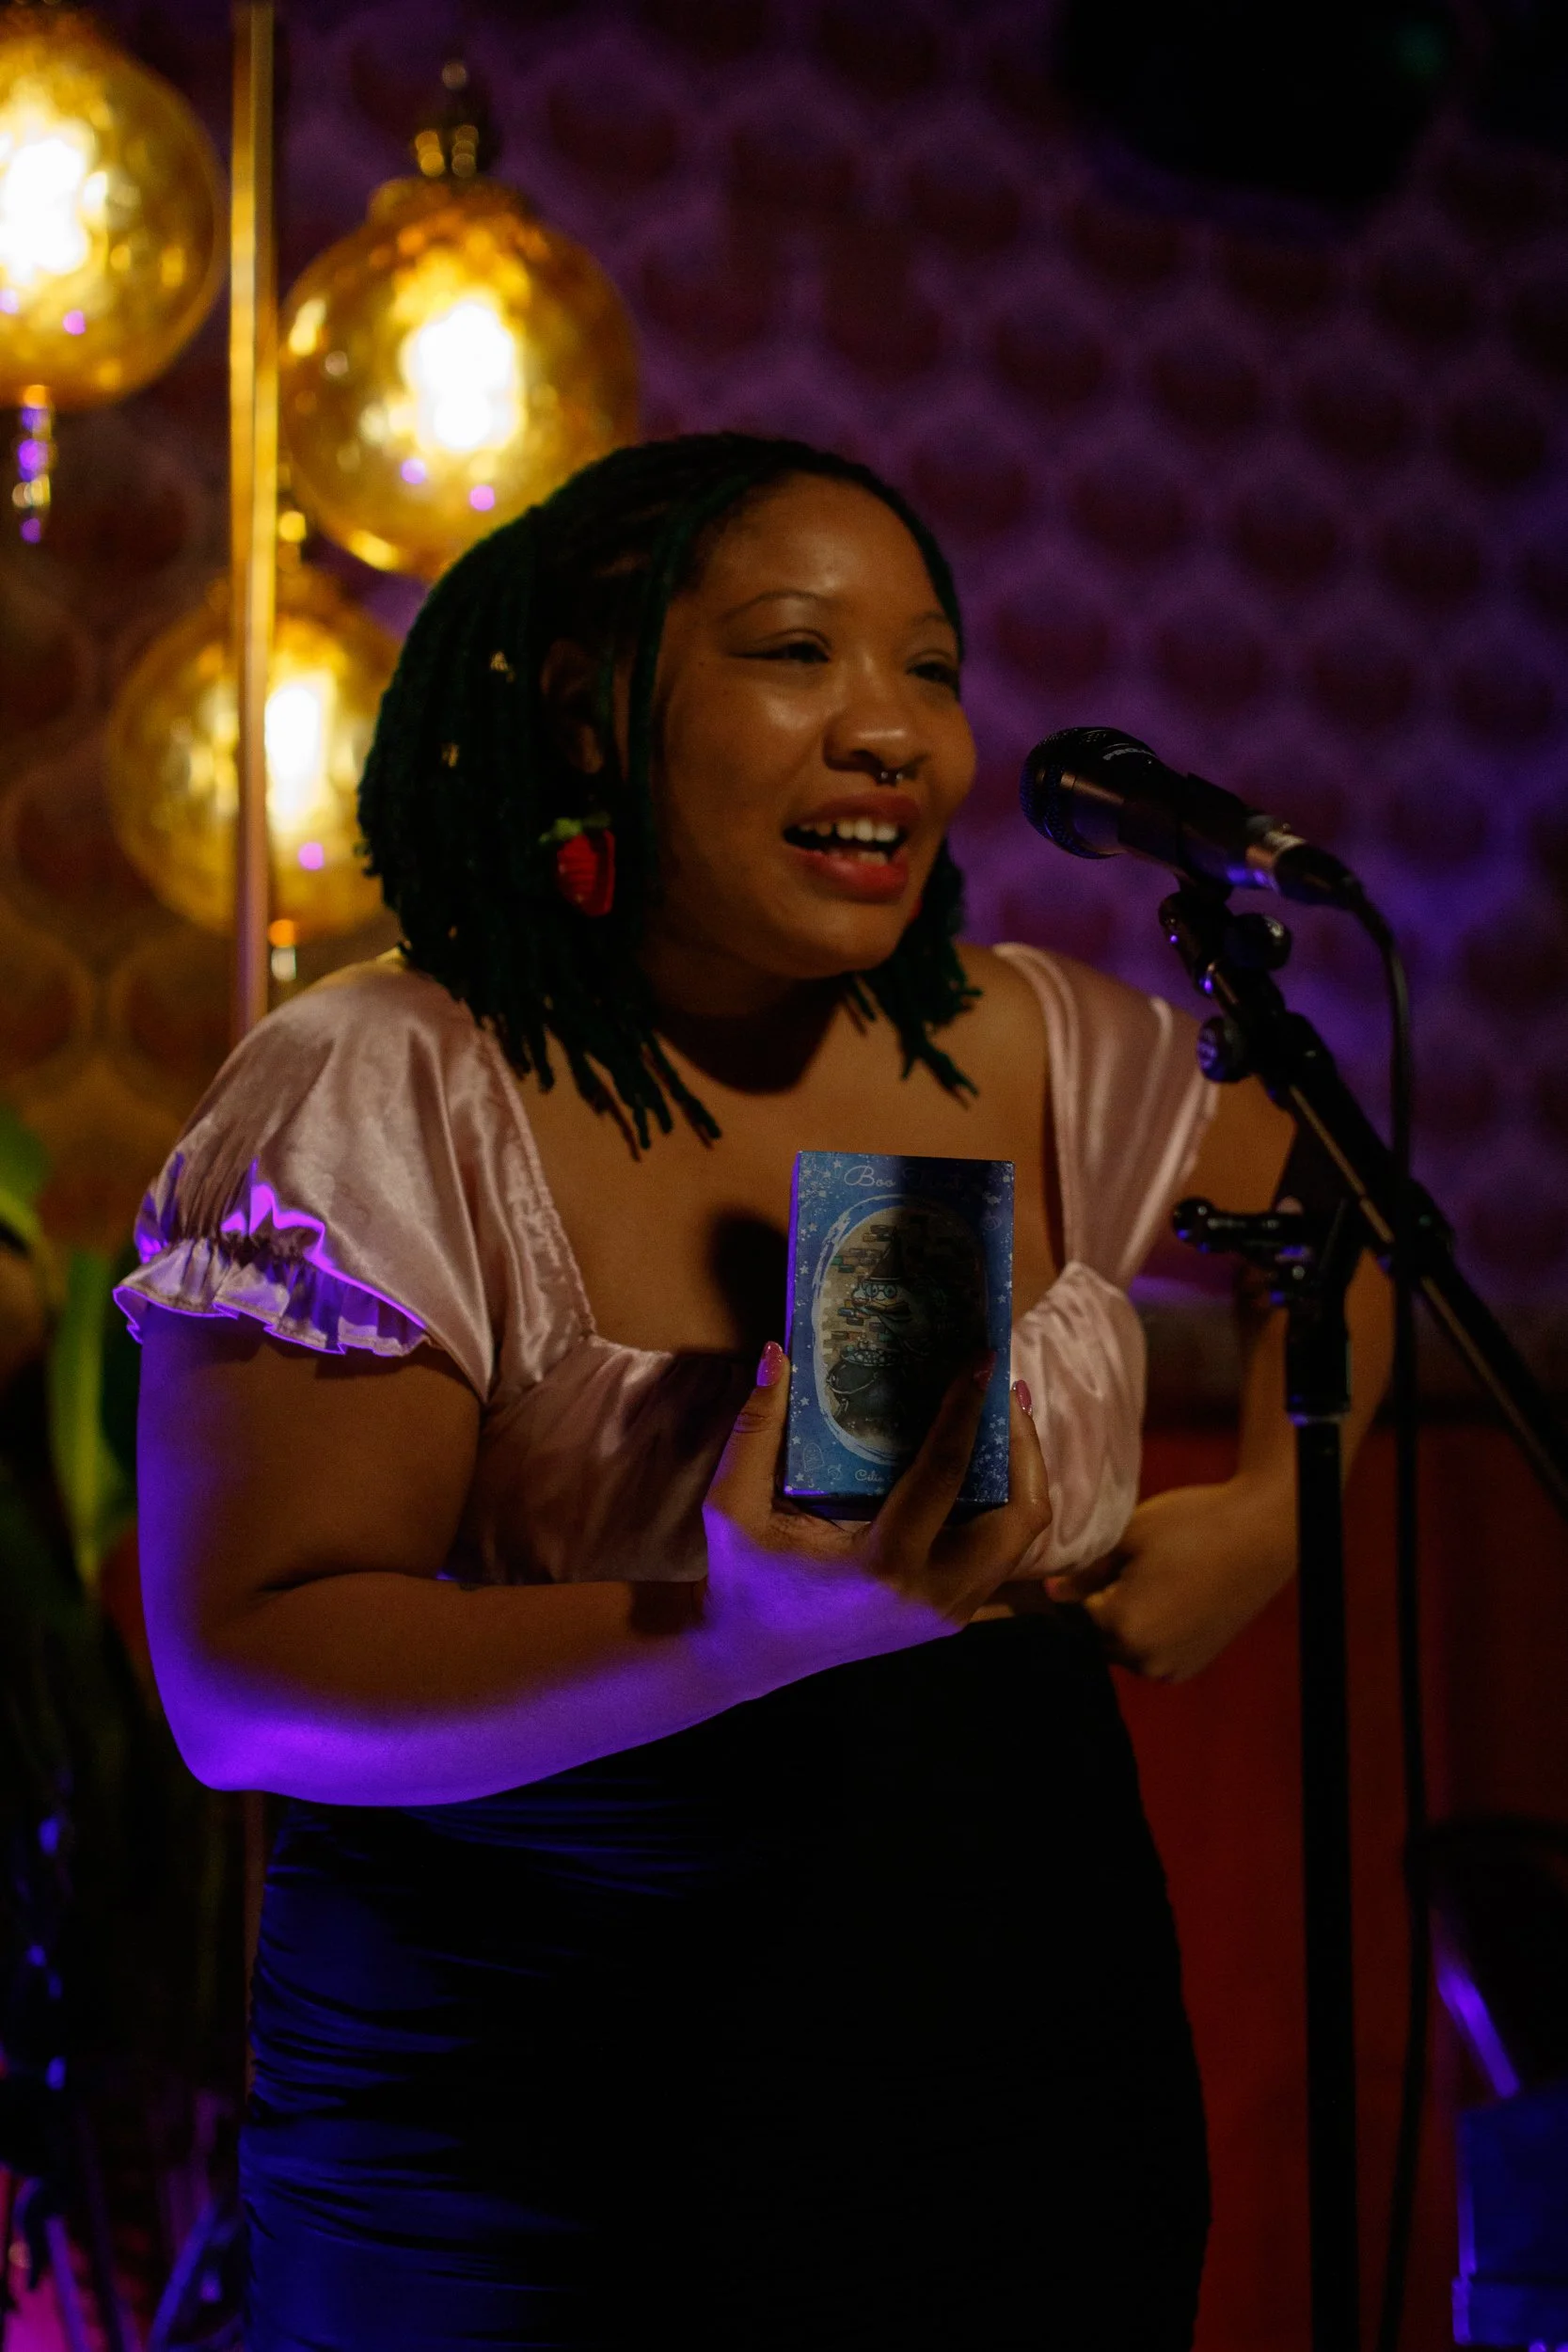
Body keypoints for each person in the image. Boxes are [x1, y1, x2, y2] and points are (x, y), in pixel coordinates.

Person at [122, 433, 1388, 2350]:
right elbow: (244, 1684)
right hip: (537, 2128)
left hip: (1019, 2074)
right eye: (796, 651)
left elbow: (1349, 1219)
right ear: (587, 710)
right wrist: (726, 1638)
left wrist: (1273, 1519)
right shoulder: (388, 1073)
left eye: (930, 669)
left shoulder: (1019, 1040)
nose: (888, 730)